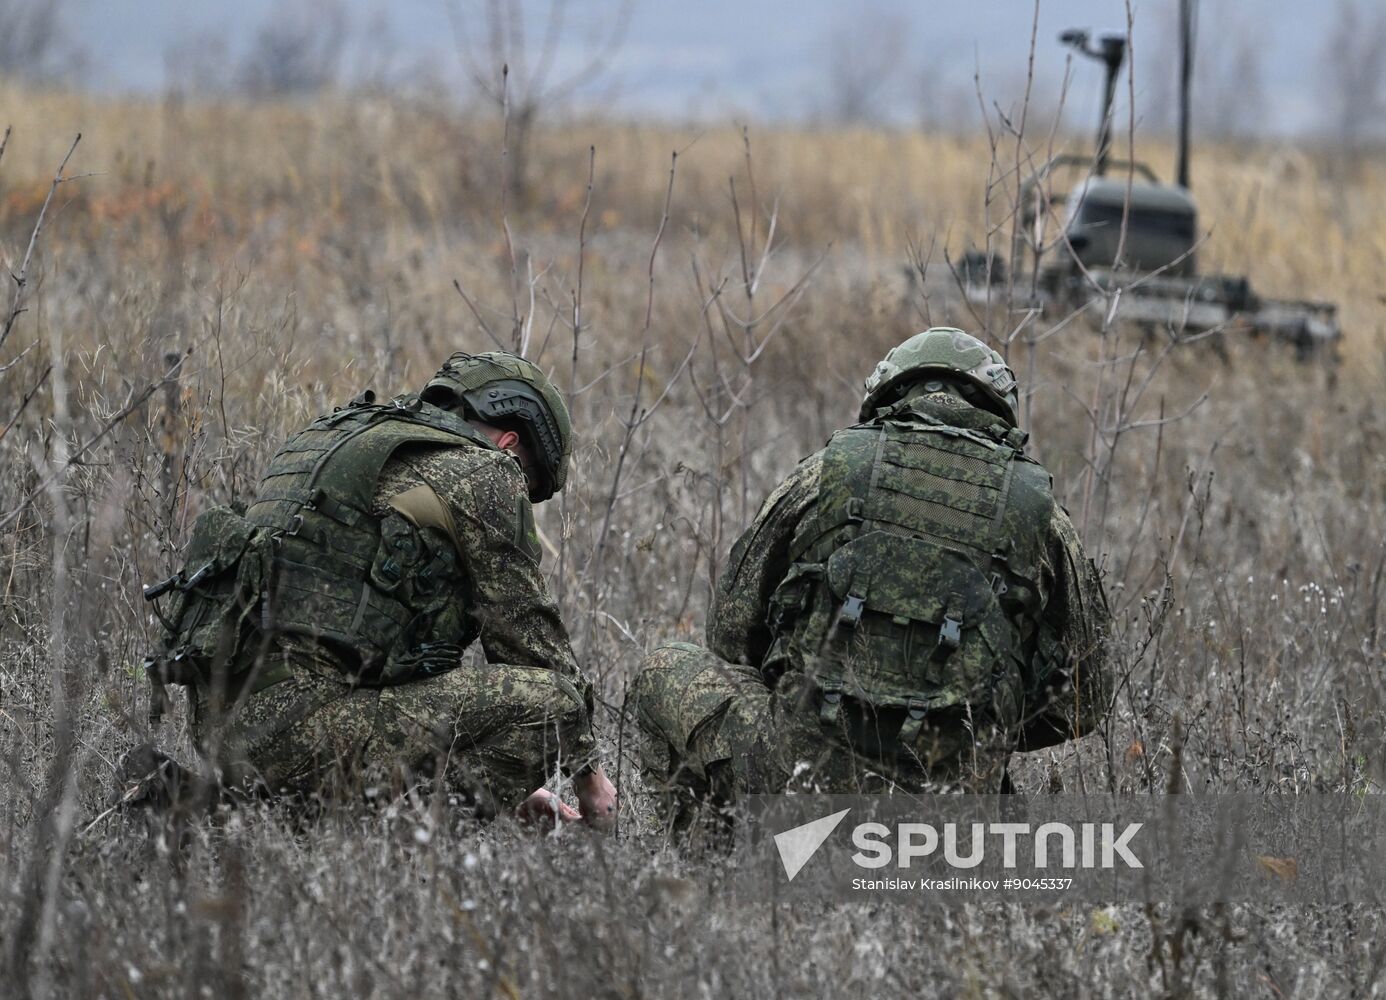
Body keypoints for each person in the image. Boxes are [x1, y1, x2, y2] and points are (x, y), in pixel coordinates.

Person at [630, 328, 1110, 827]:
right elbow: (1084, 701)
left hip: (799, 780)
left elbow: (729, 633)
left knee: (663, 668)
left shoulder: (825, 475)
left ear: (887, 393)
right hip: (951, 810)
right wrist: (977, 717)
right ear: (997, 407)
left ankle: (716, 874)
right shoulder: (1042, 515)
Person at [138, 351, 616, 828]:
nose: (518, 490)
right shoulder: (484, 470)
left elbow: (369, 645)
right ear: (510, 443)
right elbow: (530, 645)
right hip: (302, 728)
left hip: (224, 727)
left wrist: (508, 785)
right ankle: (383, 849)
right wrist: (590, 780)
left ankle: (212, 809)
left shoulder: (340, 440)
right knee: (556, 701)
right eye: (527, 479)